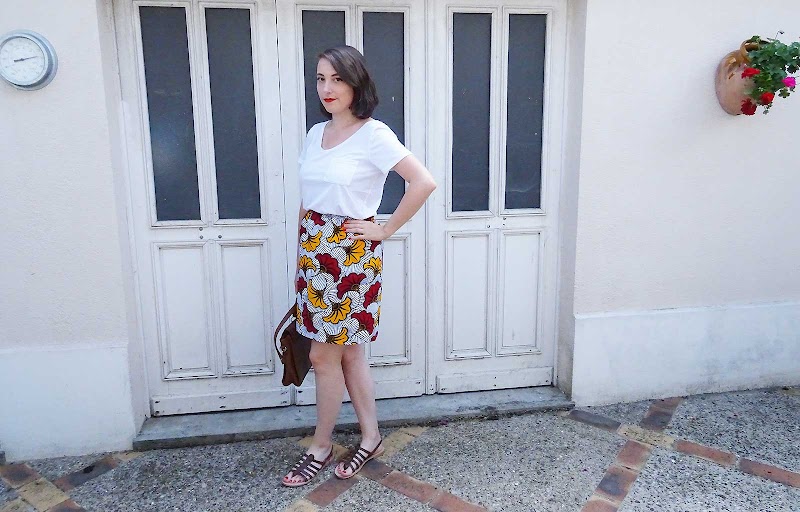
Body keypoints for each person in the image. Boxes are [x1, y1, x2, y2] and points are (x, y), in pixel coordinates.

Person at [281, 45, 437, 487]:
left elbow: (423, 182)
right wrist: (301, 254)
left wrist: (384, 229)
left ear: (356, 84)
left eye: (337, 79)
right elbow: (308, 199)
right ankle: (370, 437)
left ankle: (320, 445)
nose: (326, 88)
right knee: (348, 352)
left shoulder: (374, 134)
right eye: (320, 79)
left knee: (321, 355)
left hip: (349, 256)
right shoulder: (316, 133)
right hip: (315, 249)